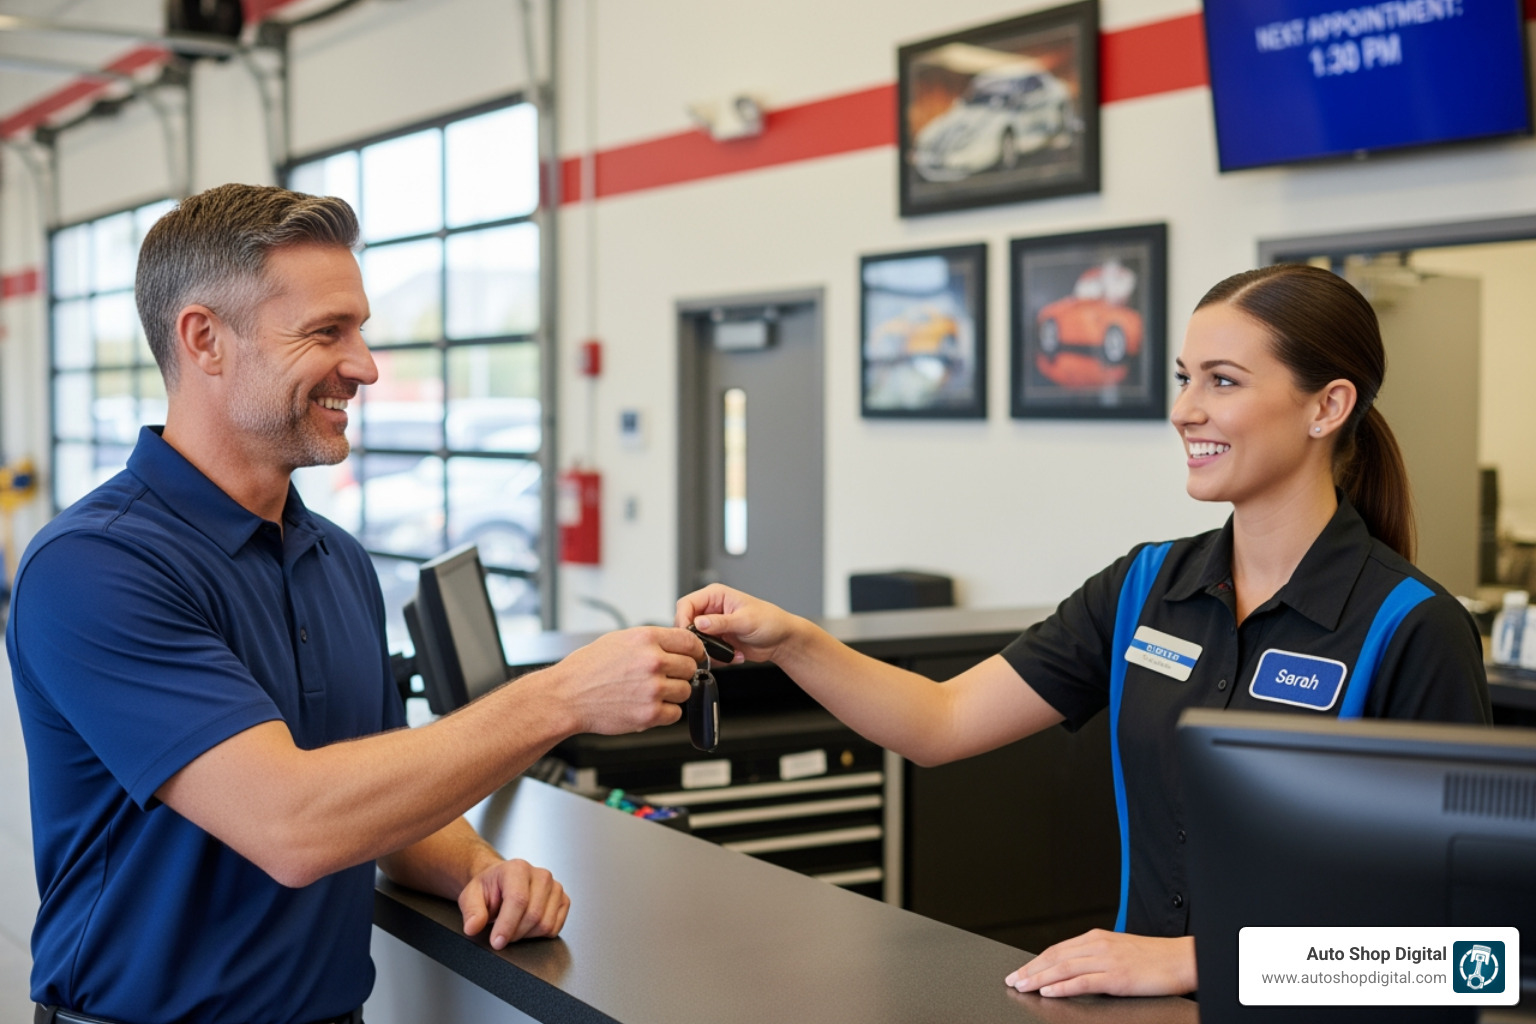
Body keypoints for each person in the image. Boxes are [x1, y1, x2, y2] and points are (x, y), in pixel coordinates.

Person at [676, 263, 1491, 1000]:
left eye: (1223, 380)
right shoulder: (1145, 589)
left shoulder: (1412, 628)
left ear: (1328, 406)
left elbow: (1465, 957)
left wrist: (1197, 961)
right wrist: (792, 641)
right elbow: (940, 721)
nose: (1185, 411)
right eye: (1184, 378)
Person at [6, 184, 707, 1024]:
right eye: (326, 332)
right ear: (204, 340)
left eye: (361, 329)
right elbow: (293, 824)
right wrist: (560, 697)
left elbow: (384, 801)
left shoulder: (336, 560)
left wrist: (477, 867)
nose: (366, 365)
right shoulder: (95, 567)